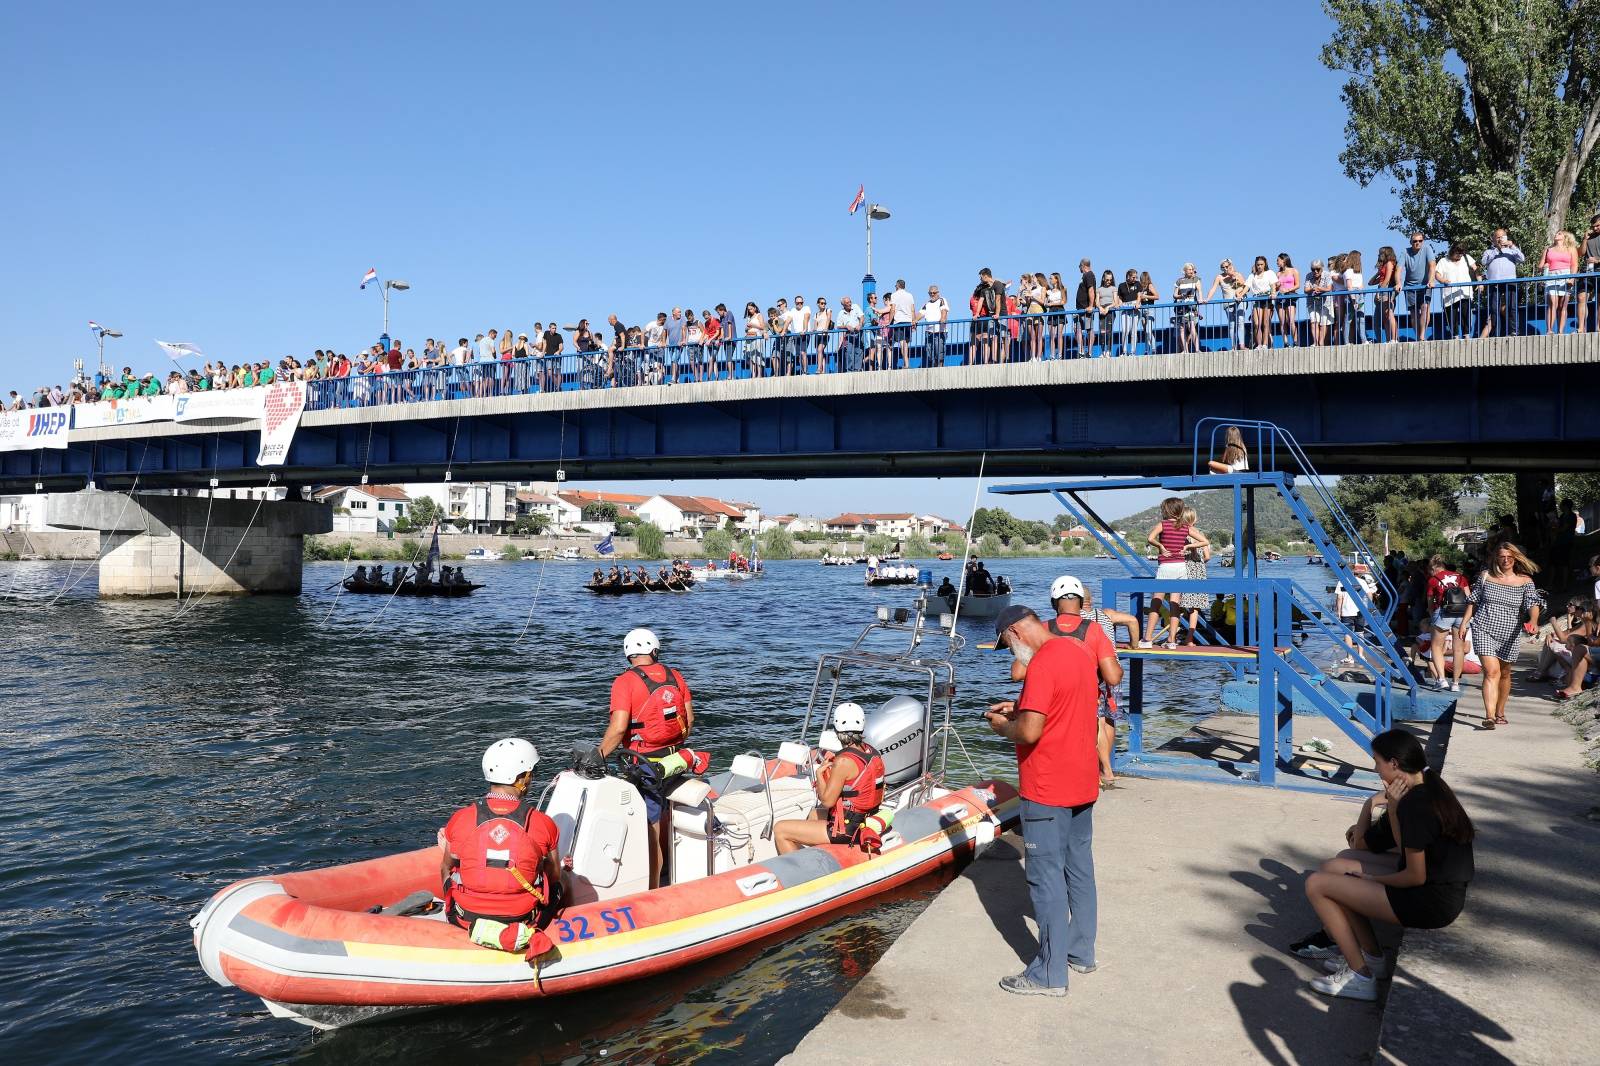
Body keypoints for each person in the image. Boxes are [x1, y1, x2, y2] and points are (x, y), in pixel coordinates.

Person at [1301, 729, 1474, 1001]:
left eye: (1377, 761)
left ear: (1393, 763)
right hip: (1440, 889)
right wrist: (1390, 807)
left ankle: (1360, 978)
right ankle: (1373, 959)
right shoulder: (1426, 784)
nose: (1375, 768)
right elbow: (1405, 847)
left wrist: (1369, 879)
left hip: (1430, 901)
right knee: (1342, 863)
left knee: (1317, 884)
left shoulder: (1416, 804)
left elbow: (1415, 876)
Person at [983, 605, 1102, 996]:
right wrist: (1018, 707)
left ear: (1016, 632)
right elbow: (1062, 706)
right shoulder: (1077, 651)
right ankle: (1080, 951)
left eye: (1008, 645)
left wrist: (1004, 726)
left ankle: (1048, 974)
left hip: (1048, 788)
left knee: (1045, 878)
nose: (1012, 655)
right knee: (1079, 868)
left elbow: (1030, 732)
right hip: (1083, 781)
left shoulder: (1040, 665)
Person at [439, 738, 562, 953]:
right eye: (530, 774)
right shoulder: (543, 823)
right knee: (562, 884)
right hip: (522, 921)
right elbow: (554, 878)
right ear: (521, 778)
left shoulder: (461, 819)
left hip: (465, 919)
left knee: (453, 870)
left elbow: (446, 869)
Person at [601, 627, 694, 888]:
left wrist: (597, 756)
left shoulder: (625, 681)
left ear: (628, 654)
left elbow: (619, 728)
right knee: (664, 811)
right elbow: (689, 719)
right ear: (655, 650)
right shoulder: (675, 676)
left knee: (651, 827)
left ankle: (652, 888)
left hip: (644, 764)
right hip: (675, 758)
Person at [1044, 576, 1128, 788]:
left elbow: (1018, 672)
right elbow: (1112, 677)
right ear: (1081, 602)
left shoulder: (1043, 628)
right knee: (1098, 725)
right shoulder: (1094, 629)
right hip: (1088, 692)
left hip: (1054, 696)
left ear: (1054, 603)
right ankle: (1102, 771)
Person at [773, 702, 885, 854]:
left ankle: (804, 873)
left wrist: (820, 774)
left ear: (836, 728)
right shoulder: (872, 752)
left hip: (847, 827)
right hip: (866, 818)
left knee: (780, 829)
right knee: (814, 814)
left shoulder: (844, 761)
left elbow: (827, 801)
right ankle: (820, 857)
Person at [1457, 542, 1542, 729]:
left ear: (1515, 558)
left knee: (1504, 673)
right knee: (1491, 671)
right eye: (1502, 556)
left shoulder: (1525, 581)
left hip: (1510, 633)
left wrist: (1534, 621)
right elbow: (1473, 601)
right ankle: (1489, 716)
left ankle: (1500, 711)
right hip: (1483, 628)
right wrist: (1464, 623)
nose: (1505, 560)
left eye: (1509, 557)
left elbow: (1532, 603)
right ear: (1496, 557)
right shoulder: (1485, 576)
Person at [1141, 498, 1205, 648]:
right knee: (1175, 604)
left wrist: (1161, 546)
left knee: (1156, 602)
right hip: (1181, 567)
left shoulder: (1163, 524)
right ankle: (1171, 641)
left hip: (1165, 566)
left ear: (1166, 510)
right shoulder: (1185, 527)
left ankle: (1147, 639)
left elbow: (1150, 538)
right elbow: (1205, 541)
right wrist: (1188, 547)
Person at [1422, 554, 1470, 691]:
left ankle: (1441, 679)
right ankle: (1455, 683)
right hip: (1462, 614)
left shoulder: (1433, 580)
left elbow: (1430, 603)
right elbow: (1469, 598)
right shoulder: (1461, 577)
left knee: (1436, 646)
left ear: (1433, 569)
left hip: (1443, 613)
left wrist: (1433, 617)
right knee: (1459, 649)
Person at [1480, 228, 1525, 337]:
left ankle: (1514, 331)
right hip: (1494, 283)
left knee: (1512, 307)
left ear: (1506, 237)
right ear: (1493, 239)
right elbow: (1484, 262)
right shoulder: (1489, 251)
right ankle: (1496, 333)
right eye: (1498, 237)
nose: (1500, 239)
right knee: (1495, 309)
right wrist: (1497, 250)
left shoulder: (1511, 250)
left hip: (1510, 282)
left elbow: (1522, 259)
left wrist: (1512, 245)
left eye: (1502, 237)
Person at [1434, 243, 1479, 339]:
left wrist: (1480, 282)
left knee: (1466, 314)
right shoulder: (1443, 261)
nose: (1460, 255)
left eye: (1462, 253)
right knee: (1451, 316)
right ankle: (1455, 336)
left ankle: (1466, 334)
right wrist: (1443, 280)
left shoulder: (1466, 258)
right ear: (1452, 251)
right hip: (1449, 293)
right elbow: (1437, 274)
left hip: (1465, 291)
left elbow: (1476, 269)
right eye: (1458, 253)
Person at [1400, 232, 1436, 341]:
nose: (1417, 243)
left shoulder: (1427, 249)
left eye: (1420, 241)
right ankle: (1417, 336)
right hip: (1410, 286)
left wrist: (1431, 280)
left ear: (1423, 241)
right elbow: (1399, 269)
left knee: (1425, 308)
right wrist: (1398, 282)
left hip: (1425, 285)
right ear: (1411, 242)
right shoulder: (1405, 252)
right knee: (1414, 313)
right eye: (1415, 241)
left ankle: (1422, 336)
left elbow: (1432, 265)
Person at [1543, 230, 1580, 334]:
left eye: (1559, 233)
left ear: (1565, 237)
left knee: (1562, 305)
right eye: (1556, 233)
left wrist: (1572, 278)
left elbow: (1574, 264)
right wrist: (1545, 267)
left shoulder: (1571, 249)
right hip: (1551, 276)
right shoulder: (1549, 249)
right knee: (1552, 304)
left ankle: (1560, 331)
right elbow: (1542, 265)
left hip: (1566, 276)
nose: (1556, 234)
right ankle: (1549, 330)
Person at [1576, 213, 1600, 334]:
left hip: (1599, 272)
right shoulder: (1589, 237)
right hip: (1587, 272)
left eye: (1597, 226)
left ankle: (1598, 328)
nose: (1595, 228)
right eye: (1593, 226)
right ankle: (1581, 328)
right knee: (1581, 297)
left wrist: (1597, 260)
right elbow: (1580, 253)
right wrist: (1585, 239)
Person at [1172, 263, 1202, 354]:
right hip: (1180, 306)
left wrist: (1200, 299)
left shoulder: (1196, 279)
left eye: (1192, 269)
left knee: (1192, 327)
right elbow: (1174, 295)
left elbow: (1199, 290)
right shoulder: (1179, 281)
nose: (1191, 271)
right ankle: (1185, 350)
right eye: (1189, 269)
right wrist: (1181, 296)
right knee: (1181, 328)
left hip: (1191, 307)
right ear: (1184, 271)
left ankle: (1197, 349)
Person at [1274, 252, 1300, 347]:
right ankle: (1285, 342)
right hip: (1280, 298)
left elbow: (1298, 285)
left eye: (1278, 260)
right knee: (1282, 321)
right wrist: (1277, 287)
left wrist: (1288, 289)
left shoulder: (1293, 271)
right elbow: (1275, 288)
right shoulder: (1278, 273)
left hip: (1290, 297)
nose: (1277, 262)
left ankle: (1295, 341)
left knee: (1291, 320)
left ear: (1284, 260)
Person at [920, 285, 949, 366]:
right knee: (928, 352)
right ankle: (933, 366)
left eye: (934, 293)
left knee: (939, 351)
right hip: (929, 331)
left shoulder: (941, 300)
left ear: (938, 292)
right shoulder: (927, 304)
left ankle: (939, 367)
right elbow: (921, 313)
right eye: (930, 293)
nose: (932, 294)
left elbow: (944, 310)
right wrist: (914, 320)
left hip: (939, 331)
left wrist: (943, 318)